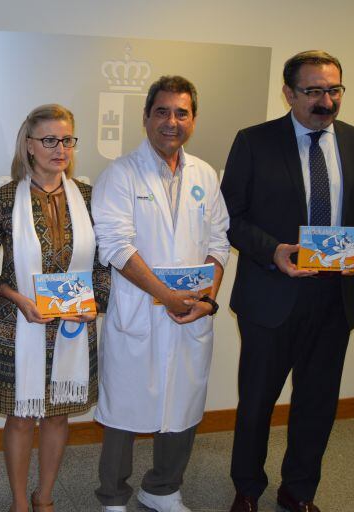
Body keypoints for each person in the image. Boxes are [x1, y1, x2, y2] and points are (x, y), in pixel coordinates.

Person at [220, 51, 354, 512]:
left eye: (334, 90)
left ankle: (299, 490)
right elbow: (230, 217)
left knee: (317, 403)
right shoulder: (254, 141)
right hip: (272, 294)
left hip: (334, 298)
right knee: (257, 402)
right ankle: (248, 489)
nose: (326, 101)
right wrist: (273, 250)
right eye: (314, 91)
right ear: (289, 93)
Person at [91, 75, 230, 512]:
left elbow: (219, 241)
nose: (172, 121)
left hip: (191, 312)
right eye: (162, 112)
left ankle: (163, 489)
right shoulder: (120, 174)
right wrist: (167, 296)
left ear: (193, 119)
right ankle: (113, 496)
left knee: (183, 403)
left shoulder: (205, 174)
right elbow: (115, 246)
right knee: (124, 409)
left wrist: (207, 297)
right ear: (146, 117)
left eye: (182, 112)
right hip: (140, 311)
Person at [0, 104, 110, 512]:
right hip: (18, 324)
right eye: (49, 139)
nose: (60, 148)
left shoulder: (90, 197)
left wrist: (95, 305)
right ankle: (19, 501)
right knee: (19, 417)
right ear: (29, 145)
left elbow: (103, 263)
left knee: (57, 416)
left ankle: (44, 497)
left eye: (67, 139)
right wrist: (18, 299)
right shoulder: (2, 199)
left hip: (73, 326)